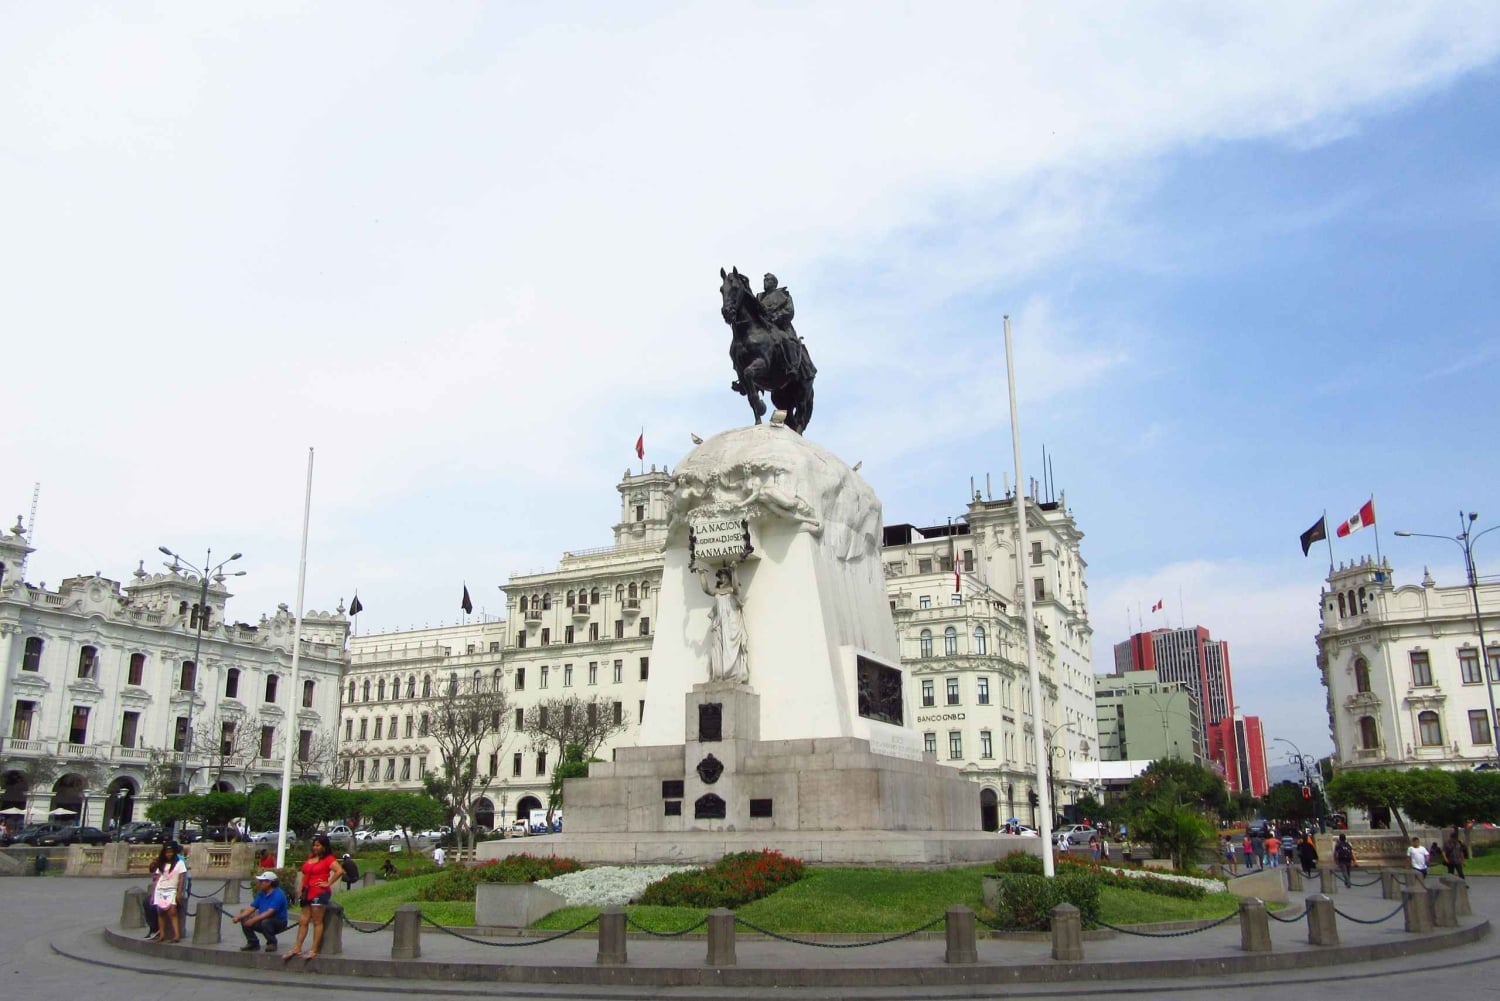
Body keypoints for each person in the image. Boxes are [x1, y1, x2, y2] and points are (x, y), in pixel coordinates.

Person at [282, 834, 343, 962]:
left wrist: (328, 882)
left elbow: (339, 871)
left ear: (324, 847)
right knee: (303, 920)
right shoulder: (311, 858)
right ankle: (297, 947)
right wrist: (300, 889)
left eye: (318, 845)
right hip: (307, 891)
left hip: (319, 892)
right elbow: (305, 874)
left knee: (317, 921)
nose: (315, 848)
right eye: (314, 845)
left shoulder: (328, 859)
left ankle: (313, 949)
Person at [231, 871, 289, 952]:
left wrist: (253, 920)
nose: (259, 883)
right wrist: (239, 917)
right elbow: (252, 908)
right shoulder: (262, 893)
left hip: (278, 922)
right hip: (264, 919)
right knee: (245, 919)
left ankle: (272, 943)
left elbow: (270, 912)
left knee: (266, 922)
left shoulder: (278, 894)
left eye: (262, 881)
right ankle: (253, 942)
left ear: (269, 882)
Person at [150, 843, 187, 944]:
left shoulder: (179, 863)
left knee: (172, 911)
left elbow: (181, 878)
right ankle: (162, 935)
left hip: (172, 889)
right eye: (167, 852)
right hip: (160, 889)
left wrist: (179, 892)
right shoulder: (161, 864)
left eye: (171, 852)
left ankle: (176, 935)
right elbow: (157, 877)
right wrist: (153, 893)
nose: (169, 854)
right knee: (160, 912)